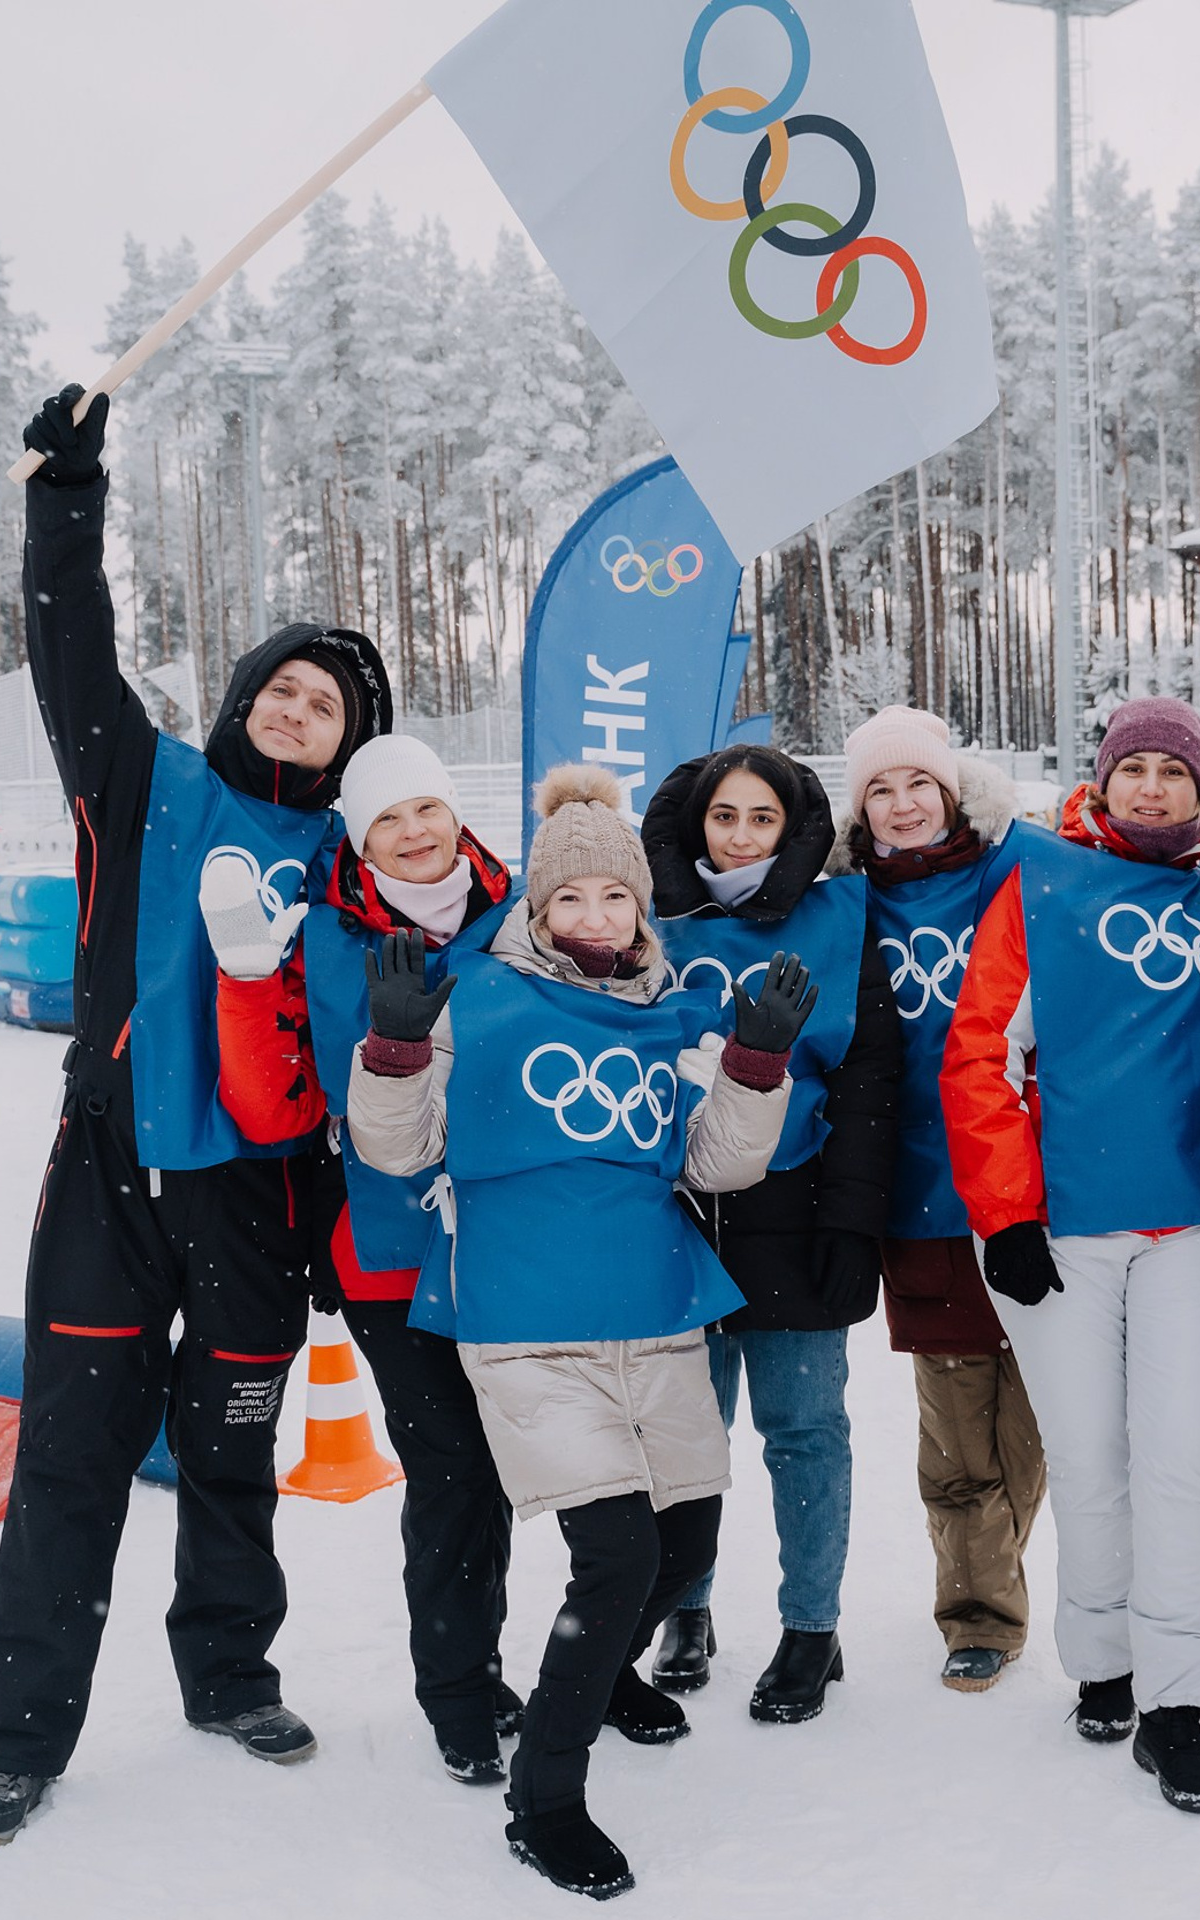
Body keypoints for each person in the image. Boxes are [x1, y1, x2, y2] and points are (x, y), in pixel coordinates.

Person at [0, 386, 391, 1847]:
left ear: (350, 748)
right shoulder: (150, 786)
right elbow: (67, 645)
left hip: (264, 1198)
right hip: (114, 1178)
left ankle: (228, 1676)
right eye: (284, 686)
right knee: (72, 1462)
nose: (299, 710)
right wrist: (64, 501)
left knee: (231, 1455)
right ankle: (19, 1736)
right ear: (243, 698)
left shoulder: (351, 859)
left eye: (327, 706)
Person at [346, 764, 813, 1900]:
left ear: (641, 911)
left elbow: (719, 1164)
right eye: (572, 900)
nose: (596, 919)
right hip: (525, 1321)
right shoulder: (478, 997)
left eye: (617, 899)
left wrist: (755, 1067)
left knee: (689, 1543)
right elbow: (397, 1151)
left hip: (655, 1314)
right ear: (539, 910)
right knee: (618, 1556)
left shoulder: (666, 1012)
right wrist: (395, 1053)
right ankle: (543, 1799)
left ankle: (600, 1679)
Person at [944, 697, 1200, 1814]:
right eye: (1137, 770)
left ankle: (1177, 1699)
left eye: (1176, 771)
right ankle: (1105, 1661)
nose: (1155, 788)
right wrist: (1008, 1214)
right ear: (1104, 783)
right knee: (1087, 1455)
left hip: (1197, 1220)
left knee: (1183, 1455)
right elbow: (982, 1056)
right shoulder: (1045, 885)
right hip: (1060, 1227)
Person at [201, 732, 520, 1785]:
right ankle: (458, 1691)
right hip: (387, 1248)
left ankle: (496, 1660)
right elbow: (277, 1102)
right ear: (359, 834)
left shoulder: (522, 915)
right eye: (389, 819)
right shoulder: (323, 933)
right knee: (450, 1470)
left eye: (427, 809)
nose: (415, 833)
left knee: (507, 1468)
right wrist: (250, 980)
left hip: (520, 1240)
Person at [639, 745, 901, 1723]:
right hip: (673, 1211)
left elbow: (871, 1081)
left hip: (794, 1206)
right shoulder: (644, 911)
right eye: (726, 816)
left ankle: (810, 1629)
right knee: (680, 1435)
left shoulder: (840, 919)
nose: (742, 835)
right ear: (695, 821)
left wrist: (850, 1224)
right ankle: (683, 1606)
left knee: (802, 1432)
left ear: (793, 833)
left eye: (763, 820)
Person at [837, 705, 1049, 1691]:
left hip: (1036, 1184)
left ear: (952, 787)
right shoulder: (843, 902)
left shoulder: (1017, 873)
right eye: (880, 789)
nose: (903, 803)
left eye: (917, 781)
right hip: (919, 1193)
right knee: (958, 1420)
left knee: (1042, 1412)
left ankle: (999, 1562)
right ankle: (979, 1611)